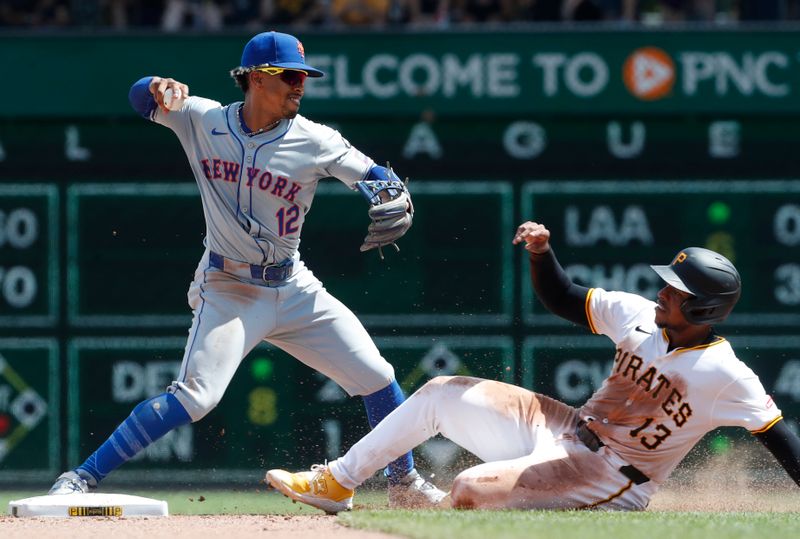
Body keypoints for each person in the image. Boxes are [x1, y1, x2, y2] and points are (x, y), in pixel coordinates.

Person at [48, 30, 445, 508]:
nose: (301, 85)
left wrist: (391, 189)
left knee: (378, 377)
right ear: (258, 78)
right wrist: (156, 83)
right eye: (291, 76)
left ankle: (404, 486)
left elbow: (373, 176)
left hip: (294, 286)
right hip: (228, 287)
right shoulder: (202, 118)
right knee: (196, 398)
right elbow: (139, 97)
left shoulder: (316, 140)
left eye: (304, 77)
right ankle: (80, 478)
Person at [266, 220, 800, 512]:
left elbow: (779, 437)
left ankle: (434, 512)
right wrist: (542, 254)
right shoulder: (638, 316)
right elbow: (565, 297)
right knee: (439, 392)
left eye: (677, 291)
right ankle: (338, 482)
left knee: (470, 489)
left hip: (611, 477)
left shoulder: (726, 374)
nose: (662, 292)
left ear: (704, 309)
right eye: (666, 283)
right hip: (565, 427)